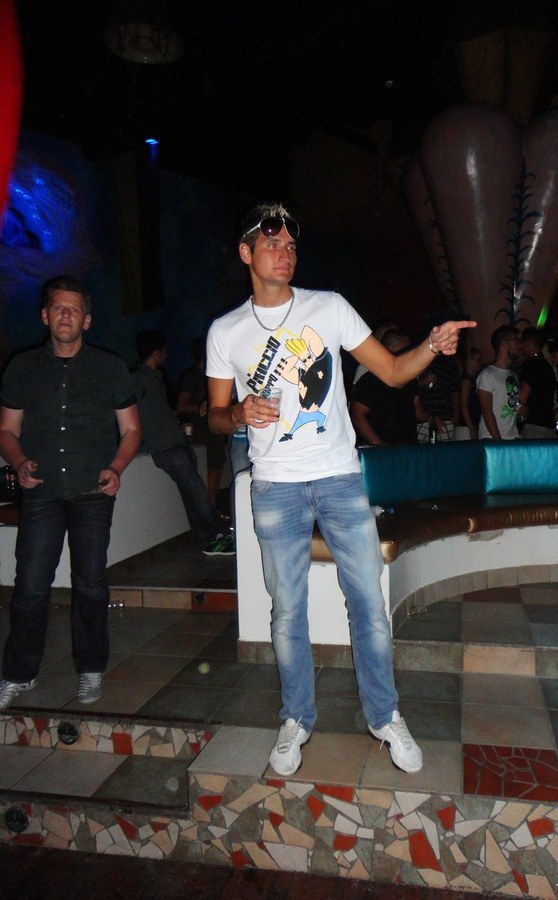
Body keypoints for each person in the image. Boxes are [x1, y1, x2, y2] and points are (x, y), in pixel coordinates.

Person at [205, 201, 475, 777]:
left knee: (368, 604)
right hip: (275, 486)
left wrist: (432, 345)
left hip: (340, 479)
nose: (285, 253)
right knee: (287, 612)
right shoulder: (225, 331)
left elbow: (394, 371)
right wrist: (238, 414)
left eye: (291, 246)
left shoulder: (328, 307)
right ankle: (296, 718)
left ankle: (384, 715)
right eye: (272, 244)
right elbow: (215, 416)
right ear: (246, 253)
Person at [0, 275, 141, 710]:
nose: (66, 315)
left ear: (87, 320)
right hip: (41, 492)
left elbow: (131, 430)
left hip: (92, 493)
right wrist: (18, 462)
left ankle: (91, 668)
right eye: (59, 308)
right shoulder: (22, 367)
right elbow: (6, 430)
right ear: (45, 315)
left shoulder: (110, 367)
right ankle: (18, 673)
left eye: (74, 309)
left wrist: (116, 468)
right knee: (30, 585)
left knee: (90, 584)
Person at [130, 330, 234, 556]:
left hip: (175, 442)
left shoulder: (155, 377)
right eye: (164, 351)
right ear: (157, 352)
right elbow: (134, 414)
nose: (167, 354)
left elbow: (162, 411)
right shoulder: (138, 379)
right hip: (165, 446)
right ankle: (219, 532)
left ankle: (209, 540)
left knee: (191, 494)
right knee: (196, 492)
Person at [350, 329, 427, 445]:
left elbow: (418, 411)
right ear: (390, 350)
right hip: (381, 450)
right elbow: (357, 414)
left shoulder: (410, 380)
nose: (409, 353)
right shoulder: (369, 381)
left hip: (408, 447)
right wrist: (378, 443)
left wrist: (432, 418)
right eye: (405, 349)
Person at [177, 336, 228, 507]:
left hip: (212, 429)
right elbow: (181, 405)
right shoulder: (192, 376)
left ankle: (212, 507)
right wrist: (200, 407)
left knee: (218, 456)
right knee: (215, 453)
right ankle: (211, 507)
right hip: (198, 430)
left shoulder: (212, 377)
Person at [476, 325, 521, 440]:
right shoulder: (487, 375)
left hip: (511, 437)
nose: (519, 346)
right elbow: (487, 411)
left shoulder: (513, 375)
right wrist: (499, 442)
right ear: (505, 344)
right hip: (491, 438)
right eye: (516, 341)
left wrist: (521, 408)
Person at [518, 327, 557, 439]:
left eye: (522, 343)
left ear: (528, 343)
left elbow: (522, 396)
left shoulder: (531, 364)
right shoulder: (547, 366)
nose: (520, 347)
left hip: (534, 424)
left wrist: (519, 409)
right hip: (549, 424)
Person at [455, 346, 483, 440]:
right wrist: (471, 428)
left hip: (469, 426)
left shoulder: (472, 380)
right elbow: (463, 406)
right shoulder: (466, 381)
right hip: (465, 428)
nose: (479, 363)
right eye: (477, 360)